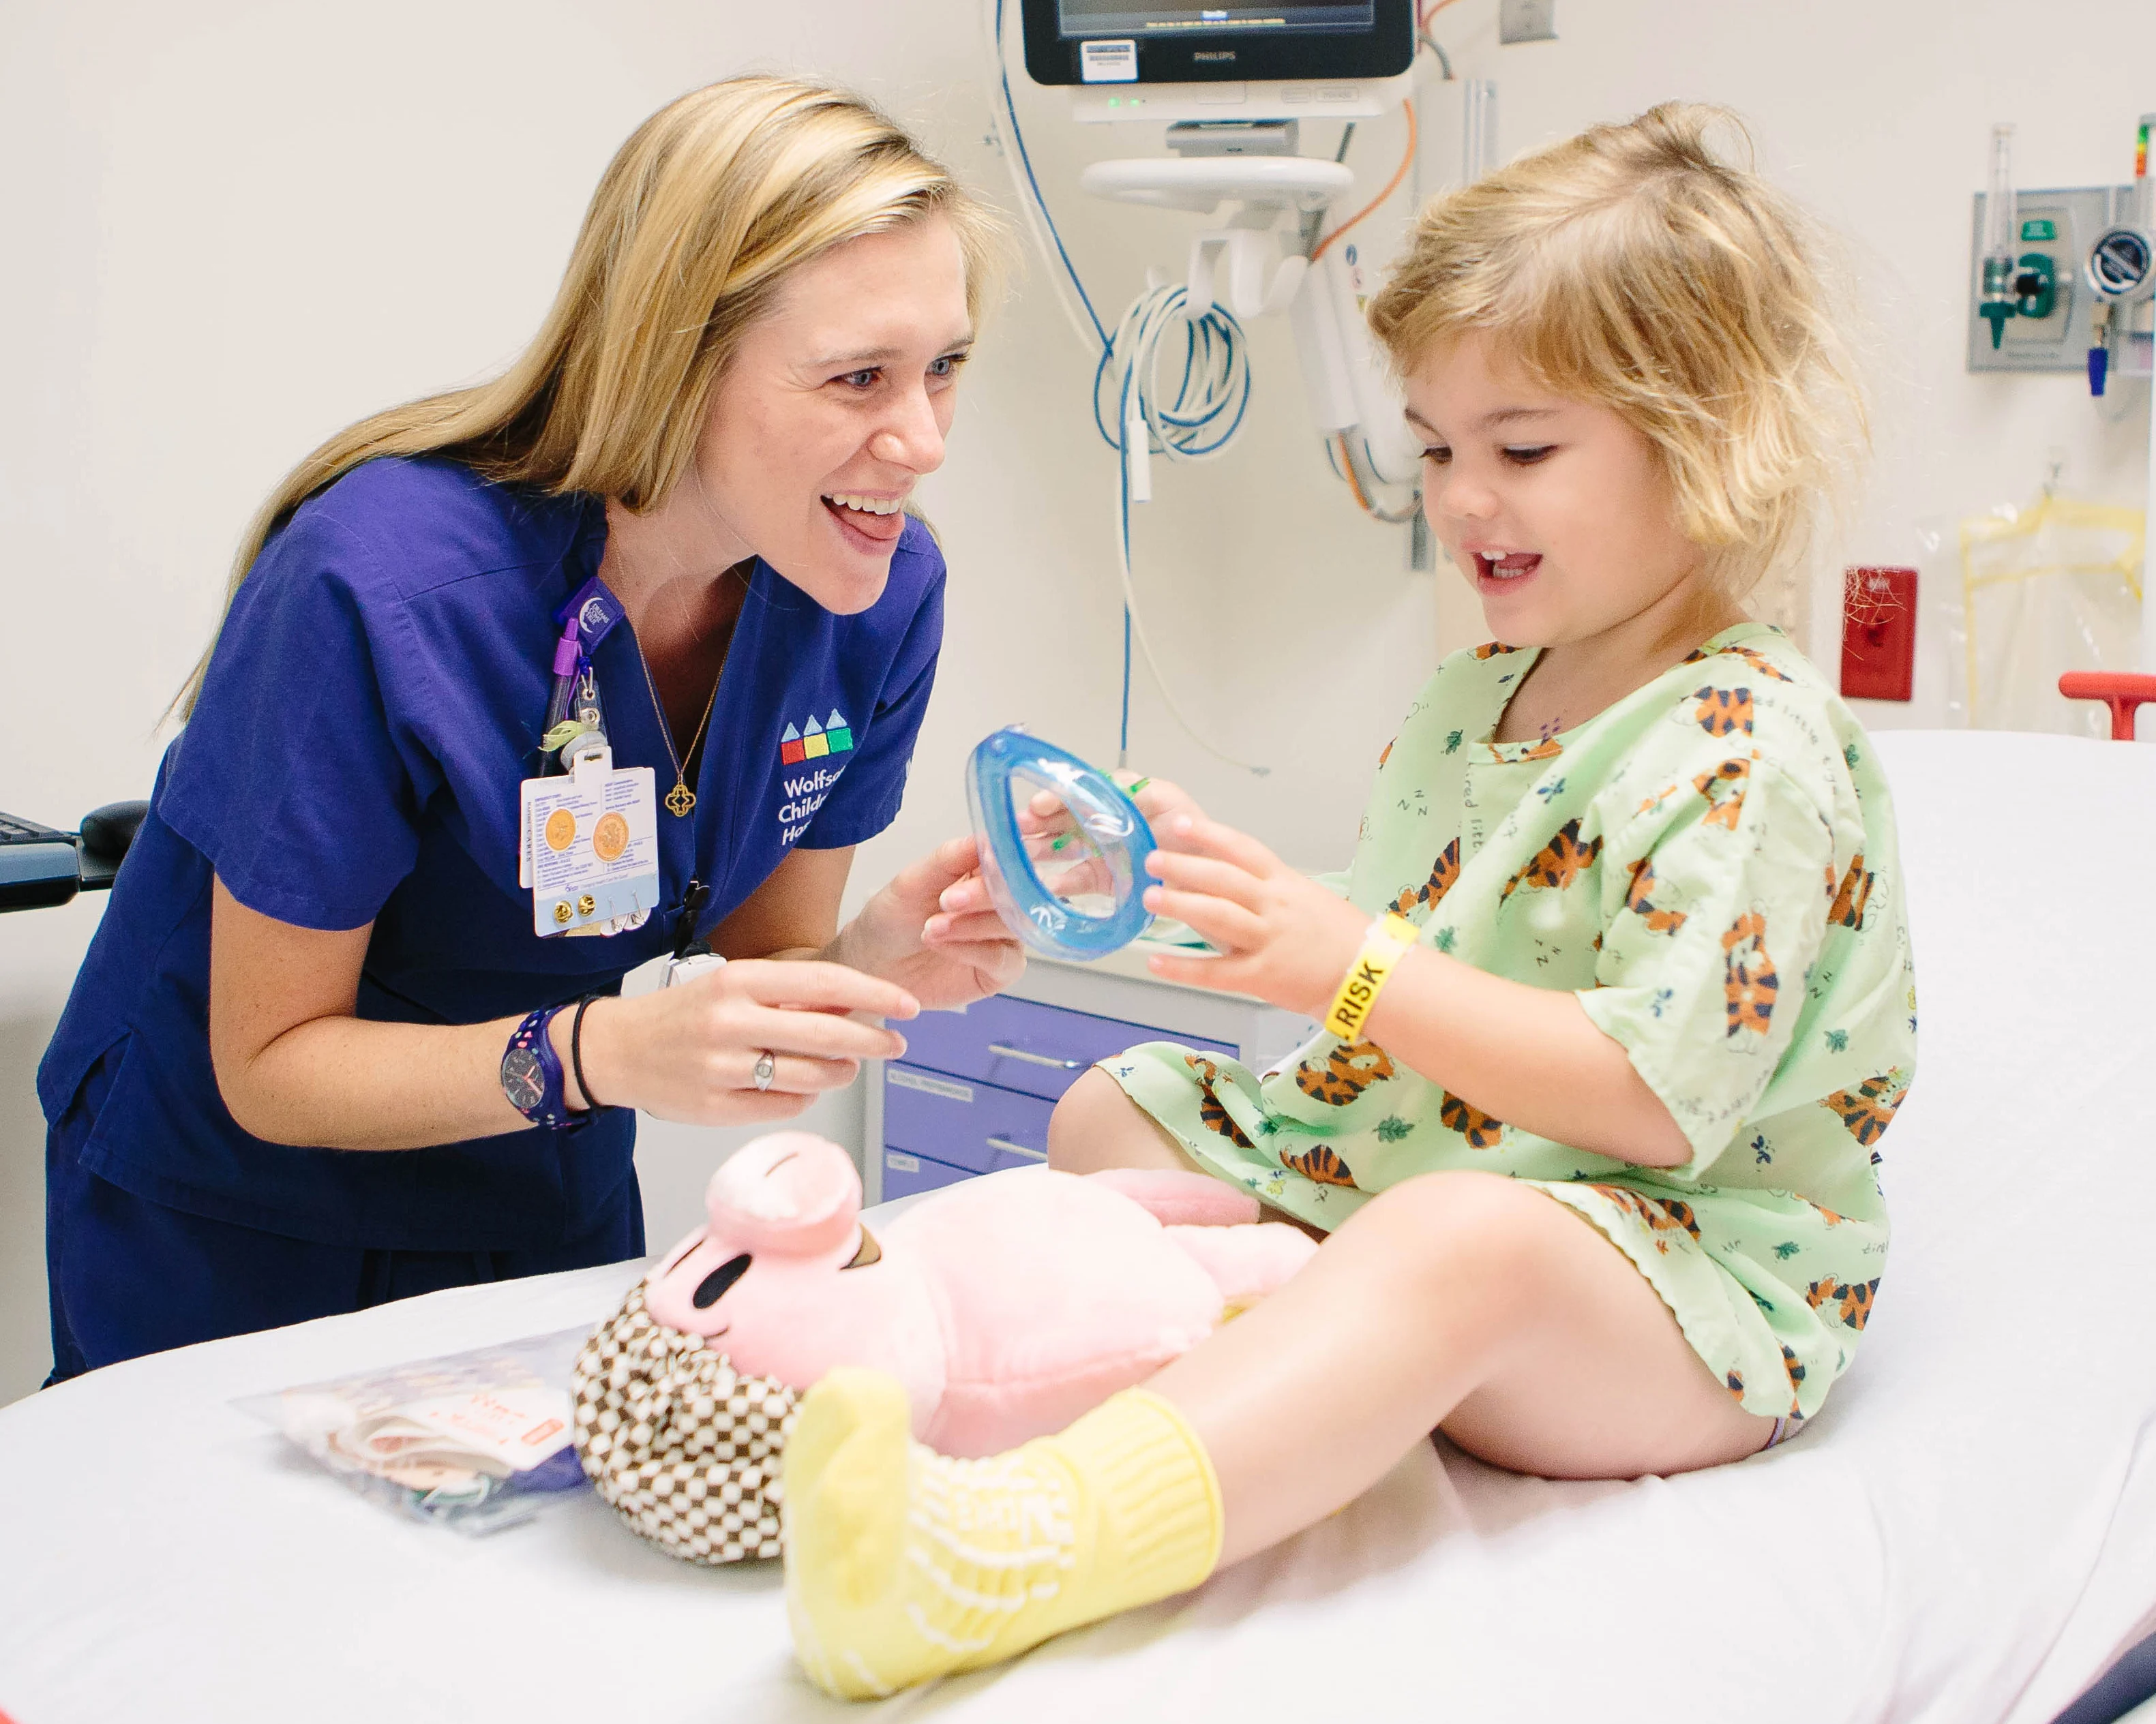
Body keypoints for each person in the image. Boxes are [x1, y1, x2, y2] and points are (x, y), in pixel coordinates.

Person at [780, 103, 1918, 1697]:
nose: (1461, 498)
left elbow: (1655, 1101)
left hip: (1671, 1279)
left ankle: (1022, 1545)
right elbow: (1424, 940)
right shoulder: (1474, 699)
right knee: (1121, 1108)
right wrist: (1192, 903)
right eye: (1438, 447)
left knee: (1466, 1245)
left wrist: (1350, 969)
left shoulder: (1747, 749)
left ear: (1708, 432)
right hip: (1429, 1169)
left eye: (1523, 449)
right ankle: (1283, 1370)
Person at [36, 76, 1021, 1383]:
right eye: (857, 378)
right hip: (233, 1210)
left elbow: (756, 961)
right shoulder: (382, 586)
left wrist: (883, 960)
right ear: (677, 359)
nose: (922, 439)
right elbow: (269, 1066)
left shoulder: (872, 594)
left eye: (943, 367)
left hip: (538, 1181)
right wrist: (599, 1049)